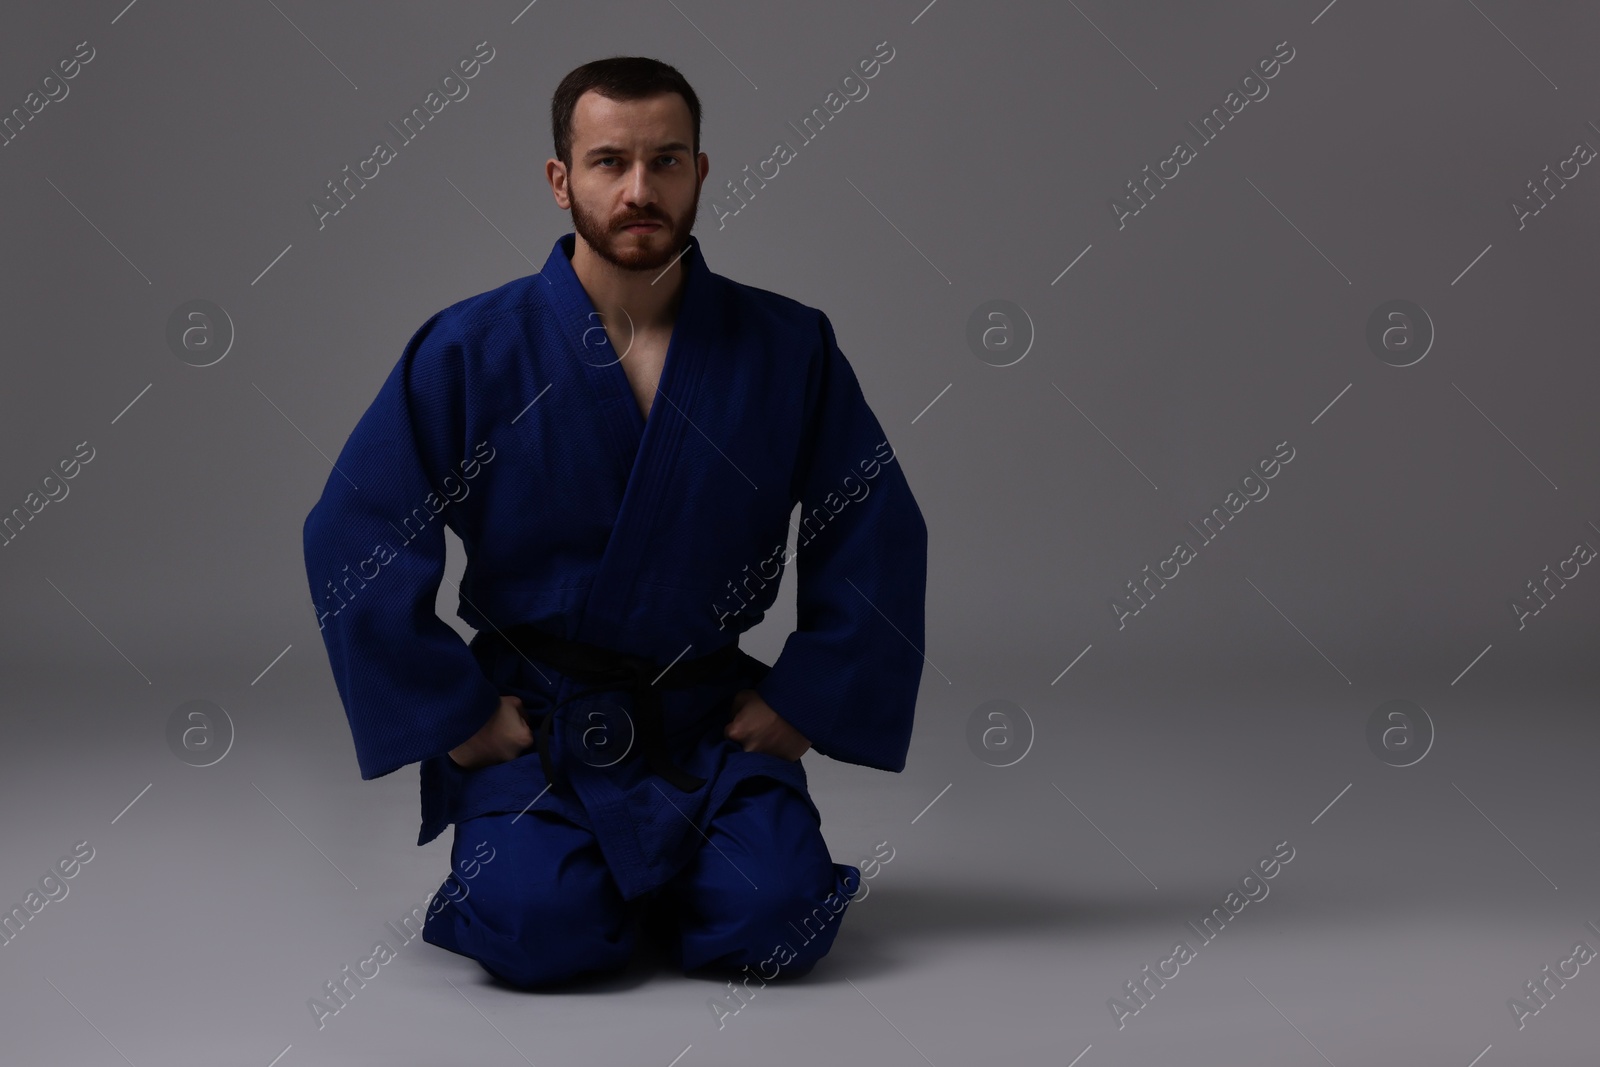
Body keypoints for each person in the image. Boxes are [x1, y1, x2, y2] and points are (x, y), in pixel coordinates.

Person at [301, 55, 928, 988]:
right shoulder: (473, 347)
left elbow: (874, 521)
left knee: (779, 924)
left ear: (701, 172)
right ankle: (593, 870)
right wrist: (453, 712)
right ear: (561, 180)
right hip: (541, 721)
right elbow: (356, 527)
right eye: (608, 162)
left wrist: (809, 695)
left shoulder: (786, 345)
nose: (641, 189)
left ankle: (693, 865)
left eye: (667, 160)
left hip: (706, 721)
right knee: (535, 932)